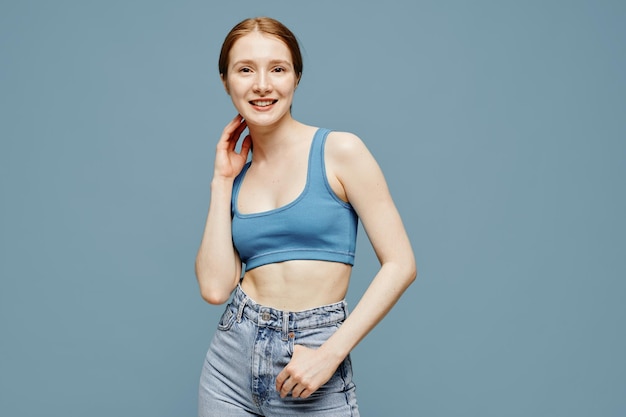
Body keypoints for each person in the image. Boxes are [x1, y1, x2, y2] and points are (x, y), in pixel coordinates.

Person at [195, 16, 416, 417]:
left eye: (277, 69)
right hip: (230, 365)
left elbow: (401, 264)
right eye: (245, 70)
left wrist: (329, 354)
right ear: (226, 81)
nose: (262, 85)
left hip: (311, 358)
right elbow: (214, 288)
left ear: (296, 77)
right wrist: (220, 181)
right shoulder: (237, 174)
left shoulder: (340, 151)